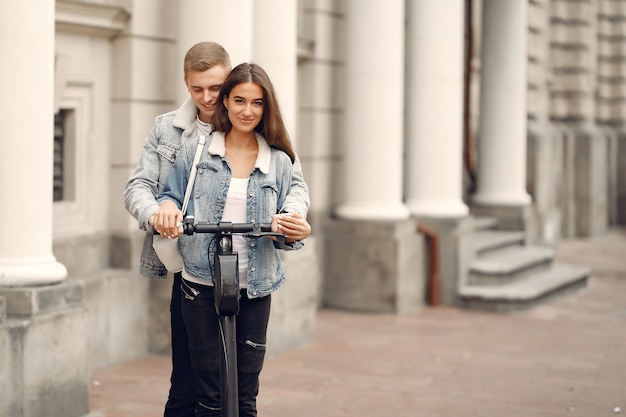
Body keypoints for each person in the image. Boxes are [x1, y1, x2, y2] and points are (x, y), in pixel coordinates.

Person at [153, 62, 310, 417]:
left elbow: (293, 210)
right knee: (207, 394)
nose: (247, 111)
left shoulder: (280, 160)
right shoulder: (198, 152)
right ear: (225, 102)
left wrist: (297, 228)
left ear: (266, 108)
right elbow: (171, 195)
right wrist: (165, 208)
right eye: (239, 100)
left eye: (256, 103)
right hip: (199, 283)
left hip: (256, 287)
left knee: (245, 396)